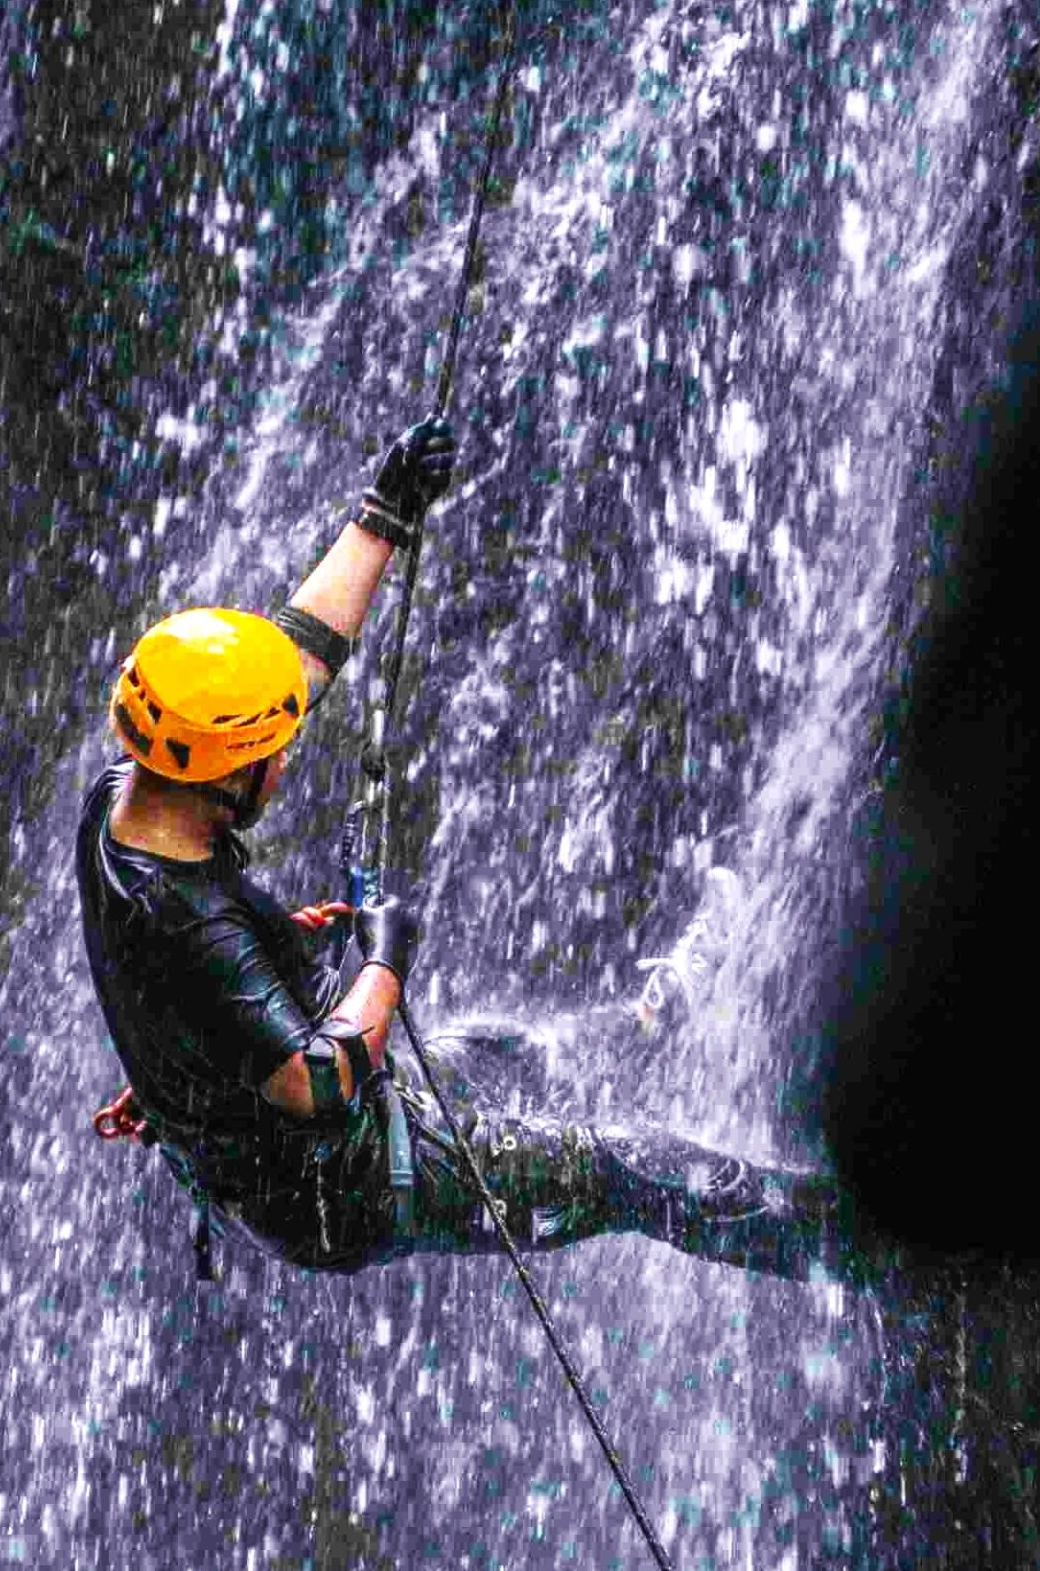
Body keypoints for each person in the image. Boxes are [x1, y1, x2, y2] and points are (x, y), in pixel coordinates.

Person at [79, 417, 842, 1284]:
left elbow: (294, 660)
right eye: (272, 753)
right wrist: (385, 958)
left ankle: (657, 1014)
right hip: (349, 1182)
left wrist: (380, 518)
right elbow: (316, 1080)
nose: (286, 757)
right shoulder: (194, 926)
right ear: (222, 776)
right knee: (629, 1168)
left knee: (516, 1055)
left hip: (325, 1126)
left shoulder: (128, 796)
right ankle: (865, 1248)